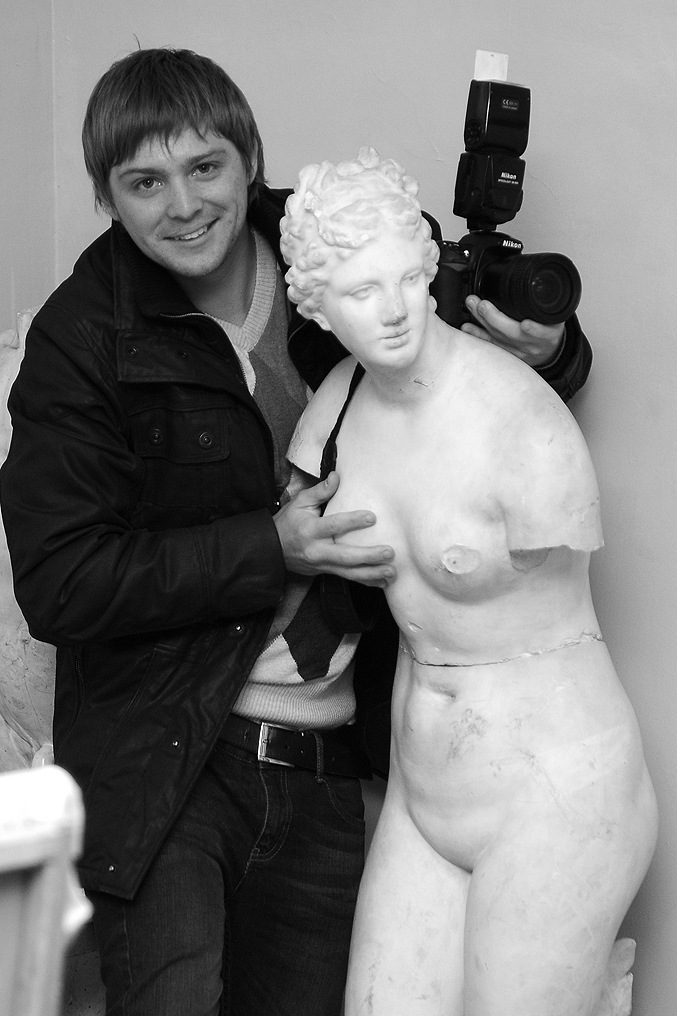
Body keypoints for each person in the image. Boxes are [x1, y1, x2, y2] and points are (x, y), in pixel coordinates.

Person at [0, 49, 592, 1016]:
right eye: (144, 183)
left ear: (249, 157)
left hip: (325, 764)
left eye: (205, 167)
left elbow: (458, 392)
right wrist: (265, 547)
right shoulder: (79, 337)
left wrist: (549, 353)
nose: (183, 206)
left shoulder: (339, 246)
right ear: (106, 196)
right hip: (167, 766)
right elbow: (59, 581)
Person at [281, 148, 658, 1016]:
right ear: (317, 307)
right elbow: (293, 550)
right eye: (359, 292)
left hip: (553, 788)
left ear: (428, 269)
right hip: (422, 791)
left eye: (405, 280)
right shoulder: (335, 411)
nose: (392, 311)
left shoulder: (520, 418)